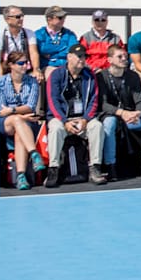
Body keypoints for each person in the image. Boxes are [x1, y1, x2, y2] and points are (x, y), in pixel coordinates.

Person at [98, 42, 141, 180]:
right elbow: (103, 104)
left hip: (131, 116)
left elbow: (140, 100)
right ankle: (110, 165)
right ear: (109, 60)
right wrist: (121, 113)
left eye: (125, 56)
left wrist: (137, 112)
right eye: (119, 56)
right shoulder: (101, 77)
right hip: (113, 115)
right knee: (109, 123)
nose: (124, 59)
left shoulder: (132, 76)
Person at [44, 43, 104, 187]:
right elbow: (53, 101)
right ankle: (53, 169)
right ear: (69, 57)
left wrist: (85, 119)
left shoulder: (90, 76)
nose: (82, 59)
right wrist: (64, 121)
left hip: (82, 119)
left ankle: (95, 167)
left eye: (84, 56)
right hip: (61, 118)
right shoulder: (56, 74)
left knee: (97, 126)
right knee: (56, 129)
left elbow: (94, 101)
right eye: (79, 56)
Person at [0, 51, 43, 189]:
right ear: (11, 65)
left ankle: (21, 176)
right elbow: (1, 110)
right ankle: (34, 153)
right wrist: (18, 114)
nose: (25, 65)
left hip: (25, 122)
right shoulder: (0, 83)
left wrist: (13, 111)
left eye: (26, 62)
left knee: (19, 133)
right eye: (21, 63)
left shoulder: (32, 82)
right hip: (6, 122)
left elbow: (30, 106)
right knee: (17, 121)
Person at [34, 6, 79, 72]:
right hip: (46, 66)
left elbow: (73, 51)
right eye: (60, 18)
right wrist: (62, 50)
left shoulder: (70, 34)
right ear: (49, 19)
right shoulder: (39, 34)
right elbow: (41, 50)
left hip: (66, 66)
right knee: (53, 74)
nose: (63, 20)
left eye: (64, 17)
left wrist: (51, 54)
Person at [0, 6, 41, 75]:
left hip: (25, 68)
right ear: (7, 19)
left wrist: (36, 70)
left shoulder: (29, 33)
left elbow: (33, 53)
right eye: (18, 17)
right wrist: (0, 77)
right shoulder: (0, 35)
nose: (21, 19)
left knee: (38, 78)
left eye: (22, 16)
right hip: (7, 69)